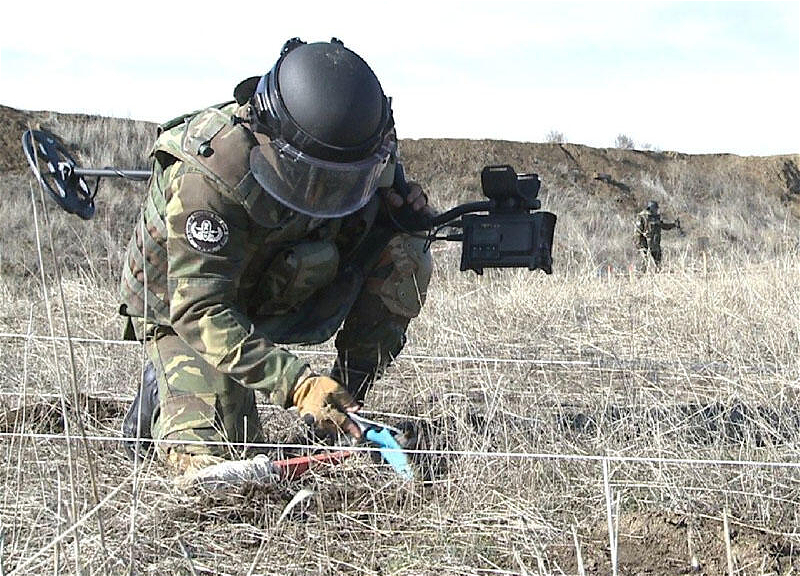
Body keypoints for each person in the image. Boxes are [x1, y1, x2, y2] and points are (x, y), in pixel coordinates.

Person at [118, 38, 434, 484]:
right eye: (310, 176)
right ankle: (162, 389)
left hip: (280, 279)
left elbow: (369, 216)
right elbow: (200, 309)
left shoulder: (367, 148)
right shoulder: (210, 173)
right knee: (223, 467)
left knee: (408, 253)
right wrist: (298, 385)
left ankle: (344, 412)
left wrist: (398, 214)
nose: (322, 193)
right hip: (187, 309)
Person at [634, 200, 680, 270]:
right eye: (655, 208)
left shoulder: (656, 217)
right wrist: (640, 243)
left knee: (658, 259)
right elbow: (638, 231)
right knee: (644, 260)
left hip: (655, 243)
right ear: (651, 208)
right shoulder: (642, 216)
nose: (656, 210)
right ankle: (641, 272)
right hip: (644, 242)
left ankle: (658, 271)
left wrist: (674, 225)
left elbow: (663, 226)